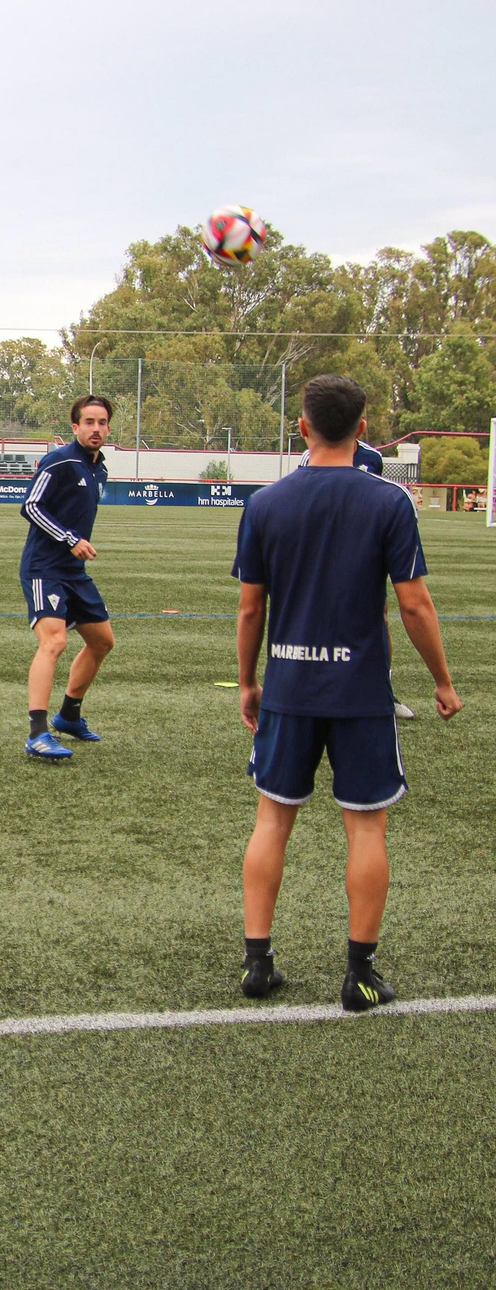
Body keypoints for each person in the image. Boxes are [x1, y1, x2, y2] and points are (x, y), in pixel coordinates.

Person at [234, 375, 461, 1011]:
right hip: (361, 693)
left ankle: (258, 963)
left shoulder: (266, 503)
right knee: (366, 829)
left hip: (289, 686)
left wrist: (251, 681)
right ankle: (360, 977)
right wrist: (442, 681)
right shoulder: (390, 502)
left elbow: (252, 610)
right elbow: (413, 604)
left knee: (273, 819)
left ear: (301, 426)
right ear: (363, 429)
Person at [19, 395, 115, 760]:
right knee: (54, 642)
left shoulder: (98, 469)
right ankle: (37, 733)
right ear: (75, 427)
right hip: (45, 567)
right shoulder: (60, 461)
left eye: (102, 422)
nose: (96, 429)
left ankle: (69, 715)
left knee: (103, 642)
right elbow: (30, 505)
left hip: (75, 572)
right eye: (88, 422)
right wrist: (69, 538)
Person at [298, 428, 413, 718]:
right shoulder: (307, 457)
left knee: (379, 612)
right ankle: (313, 688)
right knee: (317, 612)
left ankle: (383, 692)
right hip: (323, 546)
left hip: (361, 545)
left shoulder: (371, 457)